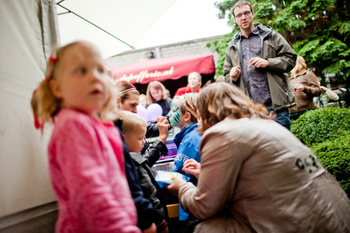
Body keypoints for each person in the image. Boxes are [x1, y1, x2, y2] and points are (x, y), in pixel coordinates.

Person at [167, 82, 350, 232]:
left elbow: (204, 207)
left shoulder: (219, 133)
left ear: (205, 112)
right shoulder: (266, 124)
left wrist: (183, 187)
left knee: (207, 229)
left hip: (301, 223)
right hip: (337, 214)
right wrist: (205, 173)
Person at [31, 41, 140, 232]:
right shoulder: (73, 125)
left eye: (100, 69)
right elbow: (90, 193)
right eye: (82, 70)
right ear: (57, 89)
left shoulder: (92, 123)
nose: (94, 77)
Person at [223, 0, 297, 130]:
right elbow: (226, 77)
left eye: (246, 13)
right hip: (249, 111)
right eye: (239, 15)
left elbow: (290, 59)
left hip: (274, 107)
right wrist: (232, 77)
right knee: (260, 150)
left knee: (282, 147)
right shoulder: (232, 47)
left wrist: (268, 62)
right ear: (235, 19)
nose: (243, 17)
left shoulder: (270, 36)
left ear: (252, 14)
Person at [117, 111, 170, 233]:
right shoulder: (135, 164)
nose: (144, 142)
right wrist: (162, 224)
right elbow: (151, 196)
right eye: (140, 138)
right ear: (123, 139)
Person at [165, 93, 201, 224]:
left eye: (174, 110)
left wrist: (159, 180)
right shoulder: (192, 134)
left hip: (191, 204)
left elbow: (180, 172)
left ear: (187, 116)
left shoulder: (190, 140)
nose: (169, 114)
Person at [289, 56, 322, 120]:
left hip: (306, 110)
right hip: (291, 113)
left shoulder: (308, 74)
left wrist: (304, 88)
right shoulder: (290, 78)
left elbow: (318, 91)